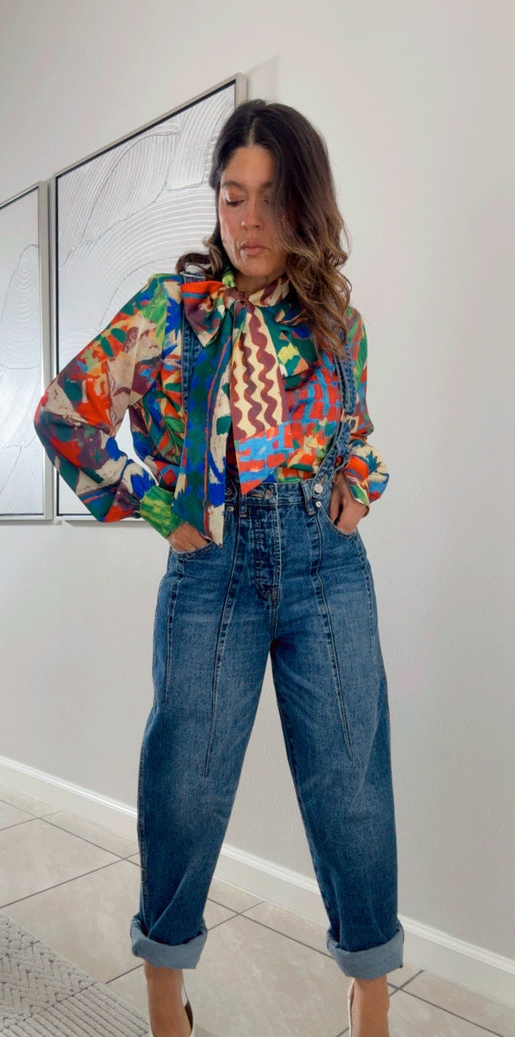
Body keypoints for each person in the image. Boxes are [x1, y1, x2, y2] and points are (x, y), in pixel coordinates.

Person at [35, 99, 403, 1037]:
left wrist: (358, 488)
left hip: (328, 567)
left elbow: (357, 432)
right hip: (213, 570)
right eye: (233, 196)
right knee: (185, 785)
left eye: (271, 197)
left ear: (304, 204)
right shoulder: (173, 310)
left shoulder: (337, 320)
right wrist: (162, 507)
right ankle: (168, 1004)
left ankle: (368, 1002)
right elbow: (64, 413)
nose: (248, 218)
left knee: (350, 783)